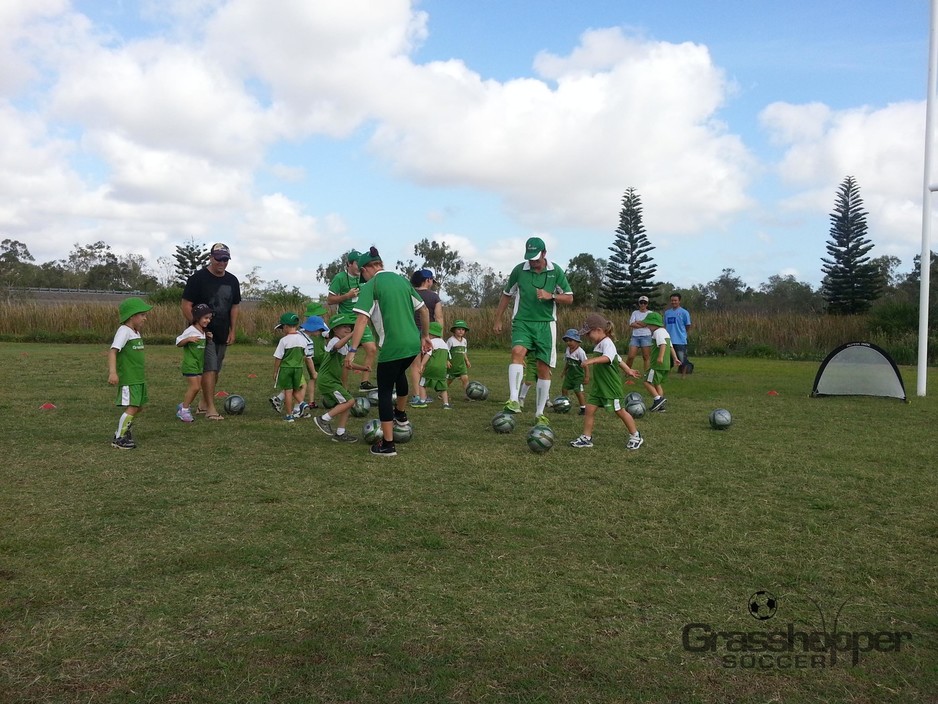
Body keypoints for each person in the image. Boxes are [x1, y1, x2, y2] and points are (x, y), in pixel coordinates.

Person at [349, 246, 431, 457]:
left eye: (362, 273)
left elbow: (361, 320)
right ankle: (401, 415)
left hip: (392, 346)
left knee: (385, 391)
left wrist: (351, 350)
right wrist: (425, 336)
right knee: (399, 375)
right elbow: (423, 309)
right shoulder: (402, 280)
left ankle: (387, 445)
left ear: (367, 269)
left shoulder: (372, 284)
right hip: (412, 344)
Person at [493, 236, 574, 425]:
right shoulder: (519, 270)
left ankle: (539, 413)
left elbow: (569, 298)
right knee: (517, 352)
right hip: (522, 321)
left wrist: (551, 295)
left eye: (536, 259)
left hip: (546, 324)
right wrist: (497, 319)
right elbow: (506, 295)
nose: (533, 262)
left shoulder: (556, 271)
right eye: (530, 258)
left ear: (544, 254)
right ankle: (514, 399)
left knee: (543, 368)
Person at [181, 242, 241, 420]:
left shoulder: (232, 280)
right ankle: (210, 410)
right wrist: (197, 328)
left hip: (222, 332)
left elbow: (235, 307)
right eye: (218, 258)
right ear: (211, 257)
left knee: (215, 370)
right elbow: (186, 305)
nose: (222, 262)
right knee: (209, 369)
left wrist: (233, 330)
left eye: (225, 259)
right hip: (204, 335)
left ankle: (202, 404)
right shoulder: (198, 278)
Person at [569, 313, 643, 451]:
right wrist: (628, 370)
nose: (587, 337)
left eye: (588, 333)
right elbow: (618, 358)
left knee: (619, 410)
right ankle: (586, 438)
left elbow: (609, 357)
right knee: (589, 410)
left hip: (610, 386)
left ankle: (636, 435)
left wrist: (591, 361)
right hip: (599, 386)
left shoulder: (607, 342)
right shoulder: (600, 344)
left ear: (598, 330)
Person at [313, 314, 369, 442]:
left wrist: (362, 368)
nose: (348, 329)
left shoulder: (344, 346)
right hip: (327, 381)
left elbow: (346, 363)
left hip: (333, 381)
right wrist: (353, 334)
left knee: (346, 404)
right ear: (335, 329)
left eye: (350, 327)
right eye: (344, 327)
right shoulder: (334, 341)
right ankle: (323, 419)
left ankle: (340, 433)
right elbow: (337, 346)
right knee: (349, 401)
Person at [327, 250, 377, 391]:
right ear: (349, 264)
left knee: (372, 349)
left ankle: (364, 383)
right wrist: (347, 296)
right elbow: (330, 300)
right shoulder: (340, 278)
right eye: (357, 263)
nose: (361, 265)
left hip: (362, 319)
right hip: (346, 321)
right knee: (344, 356)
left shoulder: (365, 276)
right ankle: (343, 388)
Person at [107, 297, 152, 449]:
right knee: (133, 406)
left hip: (138, 377)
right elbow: (113, 352)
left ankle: (124, 431)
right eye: (142, 315)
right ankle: (119, 438)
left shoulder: (135, 332)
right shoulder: (124, 331)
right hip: (129, 377)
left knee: (139, 407)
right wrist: (113, 372)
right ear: (132, 315)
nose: (145, 318)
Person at [270, 301, 330, 413]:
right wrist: (313, 373)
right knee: (301, 386)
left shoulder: (299, 333)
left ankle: (280, 400)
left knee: (295, 386)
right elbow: (308, 359)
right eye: (320, 330)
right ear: (314, 329)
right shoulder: (307, 341)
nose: (321, 332)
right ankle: (297, 409)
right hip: (295, 367)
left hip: (291, 366)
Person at [408, 269, 444, 406]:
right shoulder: (434, 297)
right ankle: (423, 395)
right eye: (431, 281)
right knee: (425, 363)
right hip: (429, 335)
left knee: (415, 365)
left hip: (411, 332)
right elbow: (439, 317)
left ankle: (417, 395)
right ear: (428, 280)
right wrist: (439, 337)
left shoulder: (410, 294)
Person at [272, 312, 316, 422]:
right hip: (298, 369)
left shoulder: (284, 340)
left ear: (286, 327)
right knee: (296, 389)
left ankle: (289, 415)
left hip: (286, 369)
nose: (282, 330)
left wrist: (275, 371)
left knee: (288, 391)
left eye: (282, 327)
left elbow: (278, 357)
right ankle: (302, 403)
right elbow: (306, 355)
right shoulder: (303, 340)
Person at [175, 303, 213, 423]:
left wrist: (208, 338)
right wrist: (187, 339)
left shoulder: (202, 331)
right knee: (195, 387)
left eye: (209, 318)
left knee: (197, 388)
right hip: (190, 364)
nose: (208, 320)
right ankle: (184, 411)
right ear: (197, 318)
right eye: (206, 318)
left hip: (198, 364)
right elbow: (178, 342)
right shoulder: (190, 330)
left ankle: (183, 405)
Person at [642, 311, 682, 412]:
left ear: (655, 324)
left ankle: (658, 399)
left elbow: (663, 345)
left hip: (657, 364)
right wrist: (675, 358)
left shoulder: (657, 332)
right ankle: (660, 406)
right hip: (666, 364)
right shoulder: (665, 332)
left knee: (646, 381)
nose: (648, 327)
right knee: (657, 383)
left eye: (649, 324)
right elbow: (670, 346)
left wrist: (660, 357)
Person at [416, 321, 452, 409]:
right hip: (442, 369)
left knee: (422, 384)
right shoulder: (444, 343)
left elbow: (428, 354)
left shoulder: (431, 343)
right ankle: (446, 404)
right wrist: (447, 362)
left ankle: (422, 401)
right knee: (443, 387)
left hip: (431, 368)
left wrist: (422, 365)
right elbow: (448, 356)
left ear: (430, 333)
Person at [559, 328, 589, 415]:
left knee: (578, 391)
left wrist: (586, 377)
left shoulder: (580, 352)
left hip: (578, 376)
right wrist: (564, 371)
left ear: (577, 341)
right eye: (567, 341)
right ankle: (564, 404)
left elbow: (586, 365)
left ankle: (583, 408)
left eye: (571, 340)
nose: (568, 343)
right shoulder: (568, 350)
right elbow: (568, 362)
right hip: (569, 376)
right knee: (564, 389)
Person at [664, 292, 693, 378]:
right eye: (672, 300)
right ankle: (666, 375)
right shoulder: (667, 313)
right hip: (669, 339)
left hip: (680, 340)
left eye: (675, 300)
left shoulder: (684, 313)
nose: (673, 302)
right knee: (668, 359)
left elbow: (688, 325)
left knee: (682, 358)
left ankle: (683, 375)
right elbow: (664, 324)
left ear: (679, 301)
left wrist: (683, 333)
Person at [626, 295, 653, 373]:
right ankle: (627, 372)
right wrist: (643, 323)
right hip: (635, 337)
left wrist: (638, 322)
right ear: (639, 303)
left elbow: (648, 324)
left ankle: (646, 375)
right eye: (641, 302)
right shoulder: (635, 313)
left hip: (646, 336)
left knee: (646, 357)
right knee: (631, 356)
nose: (643, 304)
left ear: (647, 304)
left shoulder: (650, 313)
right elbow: (631, 324)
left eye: (645, 303)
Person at [446, 320, 472, 396]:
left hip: (461, 365)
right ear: (454, 330)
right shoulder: (451, 340)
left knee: (465, 378)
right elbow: (446, 351)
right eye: (459, 329)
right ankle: (443, 393)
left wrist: (467, 360)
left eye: (463, 329)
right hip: (452, 365)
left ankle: (467, 395)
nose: (461, 331)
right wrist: (447, 361)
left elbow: (464, 352)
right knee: (449, 380)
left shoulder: (464, 341)